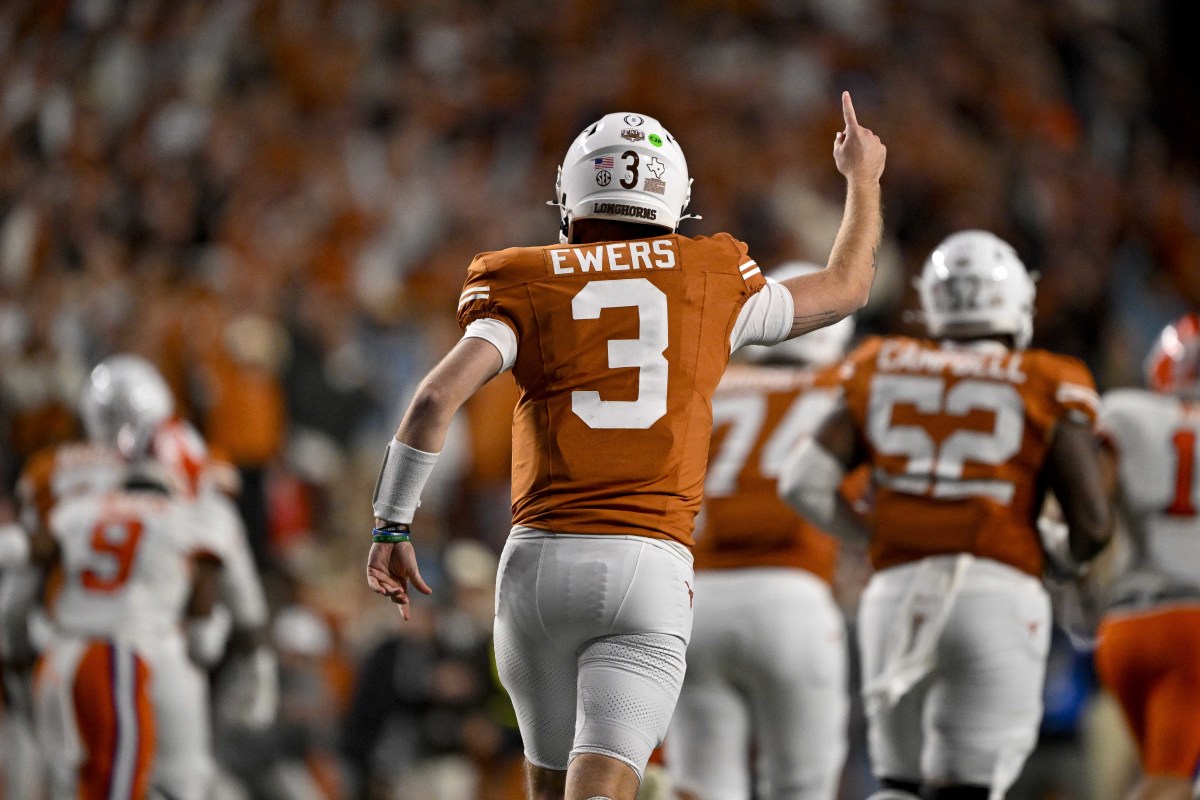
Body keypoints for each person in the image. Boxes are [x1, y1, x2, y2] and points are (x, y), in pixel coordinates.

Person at [366, 92, 886, 800]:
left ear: (570, 196)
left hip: (535, 567)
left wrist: (392, 524)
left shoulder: (521, 276)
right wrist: (863, 179)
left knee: (547, 791)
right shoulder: (710, 276)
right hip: (646, 563)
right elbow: (847, 285)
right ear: (675, 199)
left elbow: (432, 400)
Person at [779, 230, 1111, 800]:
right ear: (1016, 305)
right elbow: (1093, 524)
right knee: (968, 788)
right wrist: (1054, 556)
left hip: (897, 593)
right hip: (997, 590)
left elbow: (802, 482)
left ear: (933, 301)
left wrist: (879, 533)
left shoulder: (883, 364)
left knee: (897, 785)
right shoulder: (1048, 379)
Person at [663, 262, 855, 800]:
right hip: (794, 596)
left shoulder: (707, 385)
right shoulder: (843, 388)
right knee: (801, 789)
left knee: (702, 788)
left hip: (695, 603)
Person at [1093, 313, 1200, 800]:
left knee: (1150, 770)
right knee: (1170, 782)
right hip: (1191, 625)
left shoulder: (1126, 412)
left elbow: (1088, 512)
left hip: (1124, 626)